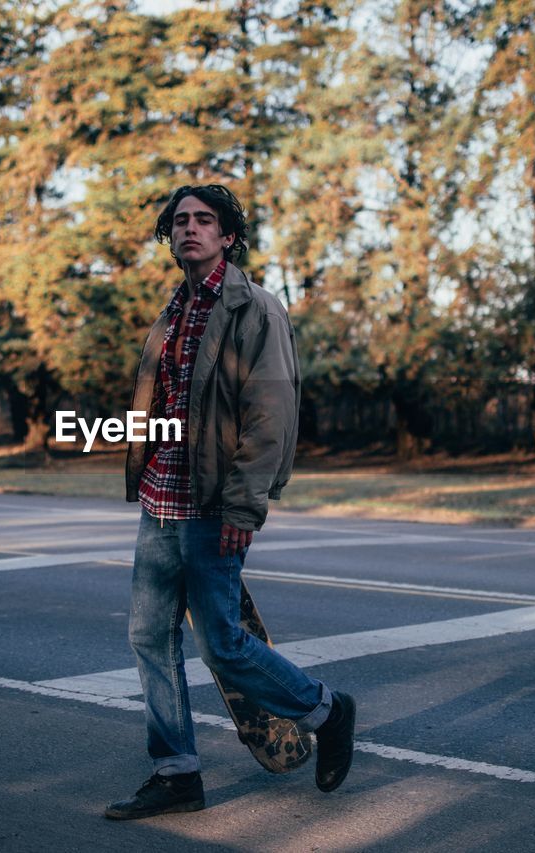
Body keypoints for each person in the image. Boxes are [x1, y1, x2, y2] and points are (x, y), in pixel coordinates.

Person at [105, 184, 357, 821]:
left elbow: (268, 417)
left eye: (204, 220)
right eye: (180, 221)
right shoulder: (172, 313)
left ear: (227, 236)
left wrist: (246, 508)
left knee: (222, 646)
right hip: (160, 503)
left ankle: (327, 710)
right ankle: (177, 773)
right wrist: (136, 455)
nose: (190, 228)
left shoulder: (256, 310)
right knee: (148, 639)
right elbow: (159, 410)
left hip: (213, 506)